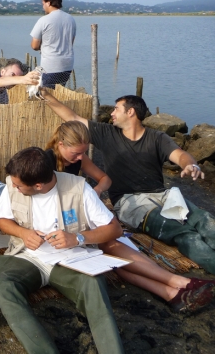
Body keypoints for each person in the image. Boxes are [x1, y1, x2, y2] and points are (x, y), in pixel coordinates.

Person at [46, 121, 215, 312]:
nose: (79, 158)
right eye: (75, 153)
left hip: (75, 216)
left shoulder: (78, 159)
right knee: (112, 246)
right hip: (60, 224)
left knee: (117, 262)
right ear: (60, 144)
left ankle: (174, 295)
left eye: (83, 153)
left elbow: (105, 179)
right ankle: (182, 283)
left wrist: (96, 190)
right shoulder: (46, 164)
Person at [41, 89, 215, 275]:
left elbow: (180, 155)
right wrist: (48, 97)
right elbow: (72, 117)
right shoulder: (107, 133)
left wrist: (190, 165)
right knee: (183, 233)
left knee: (204, 218)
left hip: (163, 195)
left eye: (116, 109)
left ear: (130, 112)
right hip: (129, 202)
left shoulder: (157, 138)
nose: (111, 113)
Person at [0, 147, 124, 354]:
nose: (13, 187)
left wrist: (77, 238)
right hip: (27, 257)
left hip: (71, 260)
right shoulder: (12, 184)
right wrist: (23, 233)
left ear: (38, 185)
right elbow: (2, 221)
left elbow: (114, 229)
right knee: (1, 286)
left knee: (94, 285)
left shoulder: (79, 189)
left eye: (18, 186)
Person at [30, 0, 76, 89]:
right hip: (67, 66)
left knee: (47, 96)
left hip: (50, 66)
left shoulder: (44, 20)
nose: (43, 7)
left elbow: (34, 45)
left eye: (43, 3)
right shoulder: (71, 19)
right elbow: (70, 43)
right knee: (59, 92)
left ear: (49, 3)